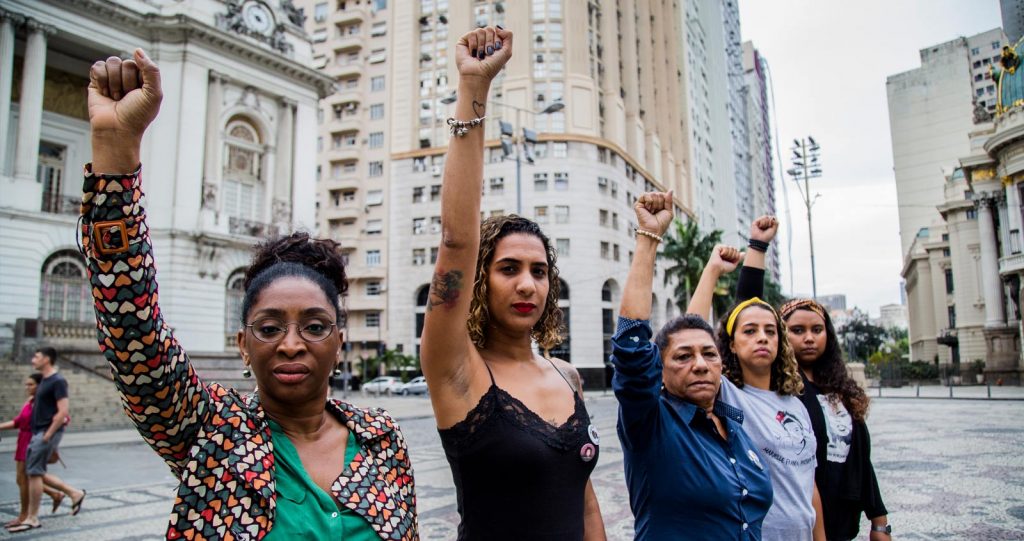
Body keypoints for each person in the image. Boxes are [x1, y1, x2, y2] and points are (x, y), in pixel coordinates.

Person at [81, 50, 416, 539]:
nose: (292, 343)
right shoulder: (210, 430)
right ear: (243, 343)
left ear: (340, 342)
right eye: (270, 326)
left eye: (316, 326)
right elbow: (132, 329)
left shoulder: (382, 437)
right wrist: (114, 146)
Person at [419, 26, 606, 541]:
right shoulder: (457, 369)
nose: (527, 284)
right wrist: (474, 88)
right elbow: (458, 240)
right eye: (508, 269)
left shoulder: (567, 376)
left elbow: (585, 502)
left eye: (539, 272)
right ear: (480, 281)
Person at [610, 191, 772, 540]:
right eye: (682, 358)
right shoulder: (652, 425)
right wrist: (649, 238)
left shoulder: (734, 426)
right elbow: (633, 347)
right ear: (660, 371)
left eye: (709, 354)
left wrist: (713, 270)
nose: (699, 364)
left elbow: (691, 331)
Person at [688, 217, 825, 541]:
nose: (762, 338)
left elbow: (809, 485)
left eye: (770, 331)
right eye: (749, 331)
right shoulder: (730, 397)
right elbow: (690, 331)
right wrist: (713, 271)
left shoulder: (798, 405)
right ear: (731, 344)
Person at [779, 298, 890, 540]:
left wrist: (879, 521)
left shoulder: (841, 388)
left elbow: (861, 458)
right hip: (802, 518)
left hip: (844, 517)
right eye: (798, 330)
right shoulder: (779, 390)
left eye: (817, 330)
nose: (809, 338)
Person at [7, 348, 87, 533]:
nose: (33, 358)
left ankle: (32, 518)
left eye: (37, 356)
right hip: (38, 432)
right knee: (33, 472)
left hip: (44, 432)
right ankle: (74, 494)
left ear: (47, 359)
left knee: (34, 473)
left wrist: (48, 435)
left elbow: (63, 411)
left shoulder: (57, 381)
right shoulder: (43, 381)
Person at [0, 373, 76, 531]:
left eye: (31, 385)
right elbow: (19, 421)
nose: (27, 388)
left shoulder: (46, 402)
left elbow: (64, 417)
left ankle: (26, 515)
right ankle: (60, 494)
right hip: (23, 440)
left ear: (40, 386)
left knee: (28, 477)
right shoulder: (30, 401)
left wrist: (48, 435)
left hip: (34, 440)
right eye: (26, 384)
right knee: (27, 478)